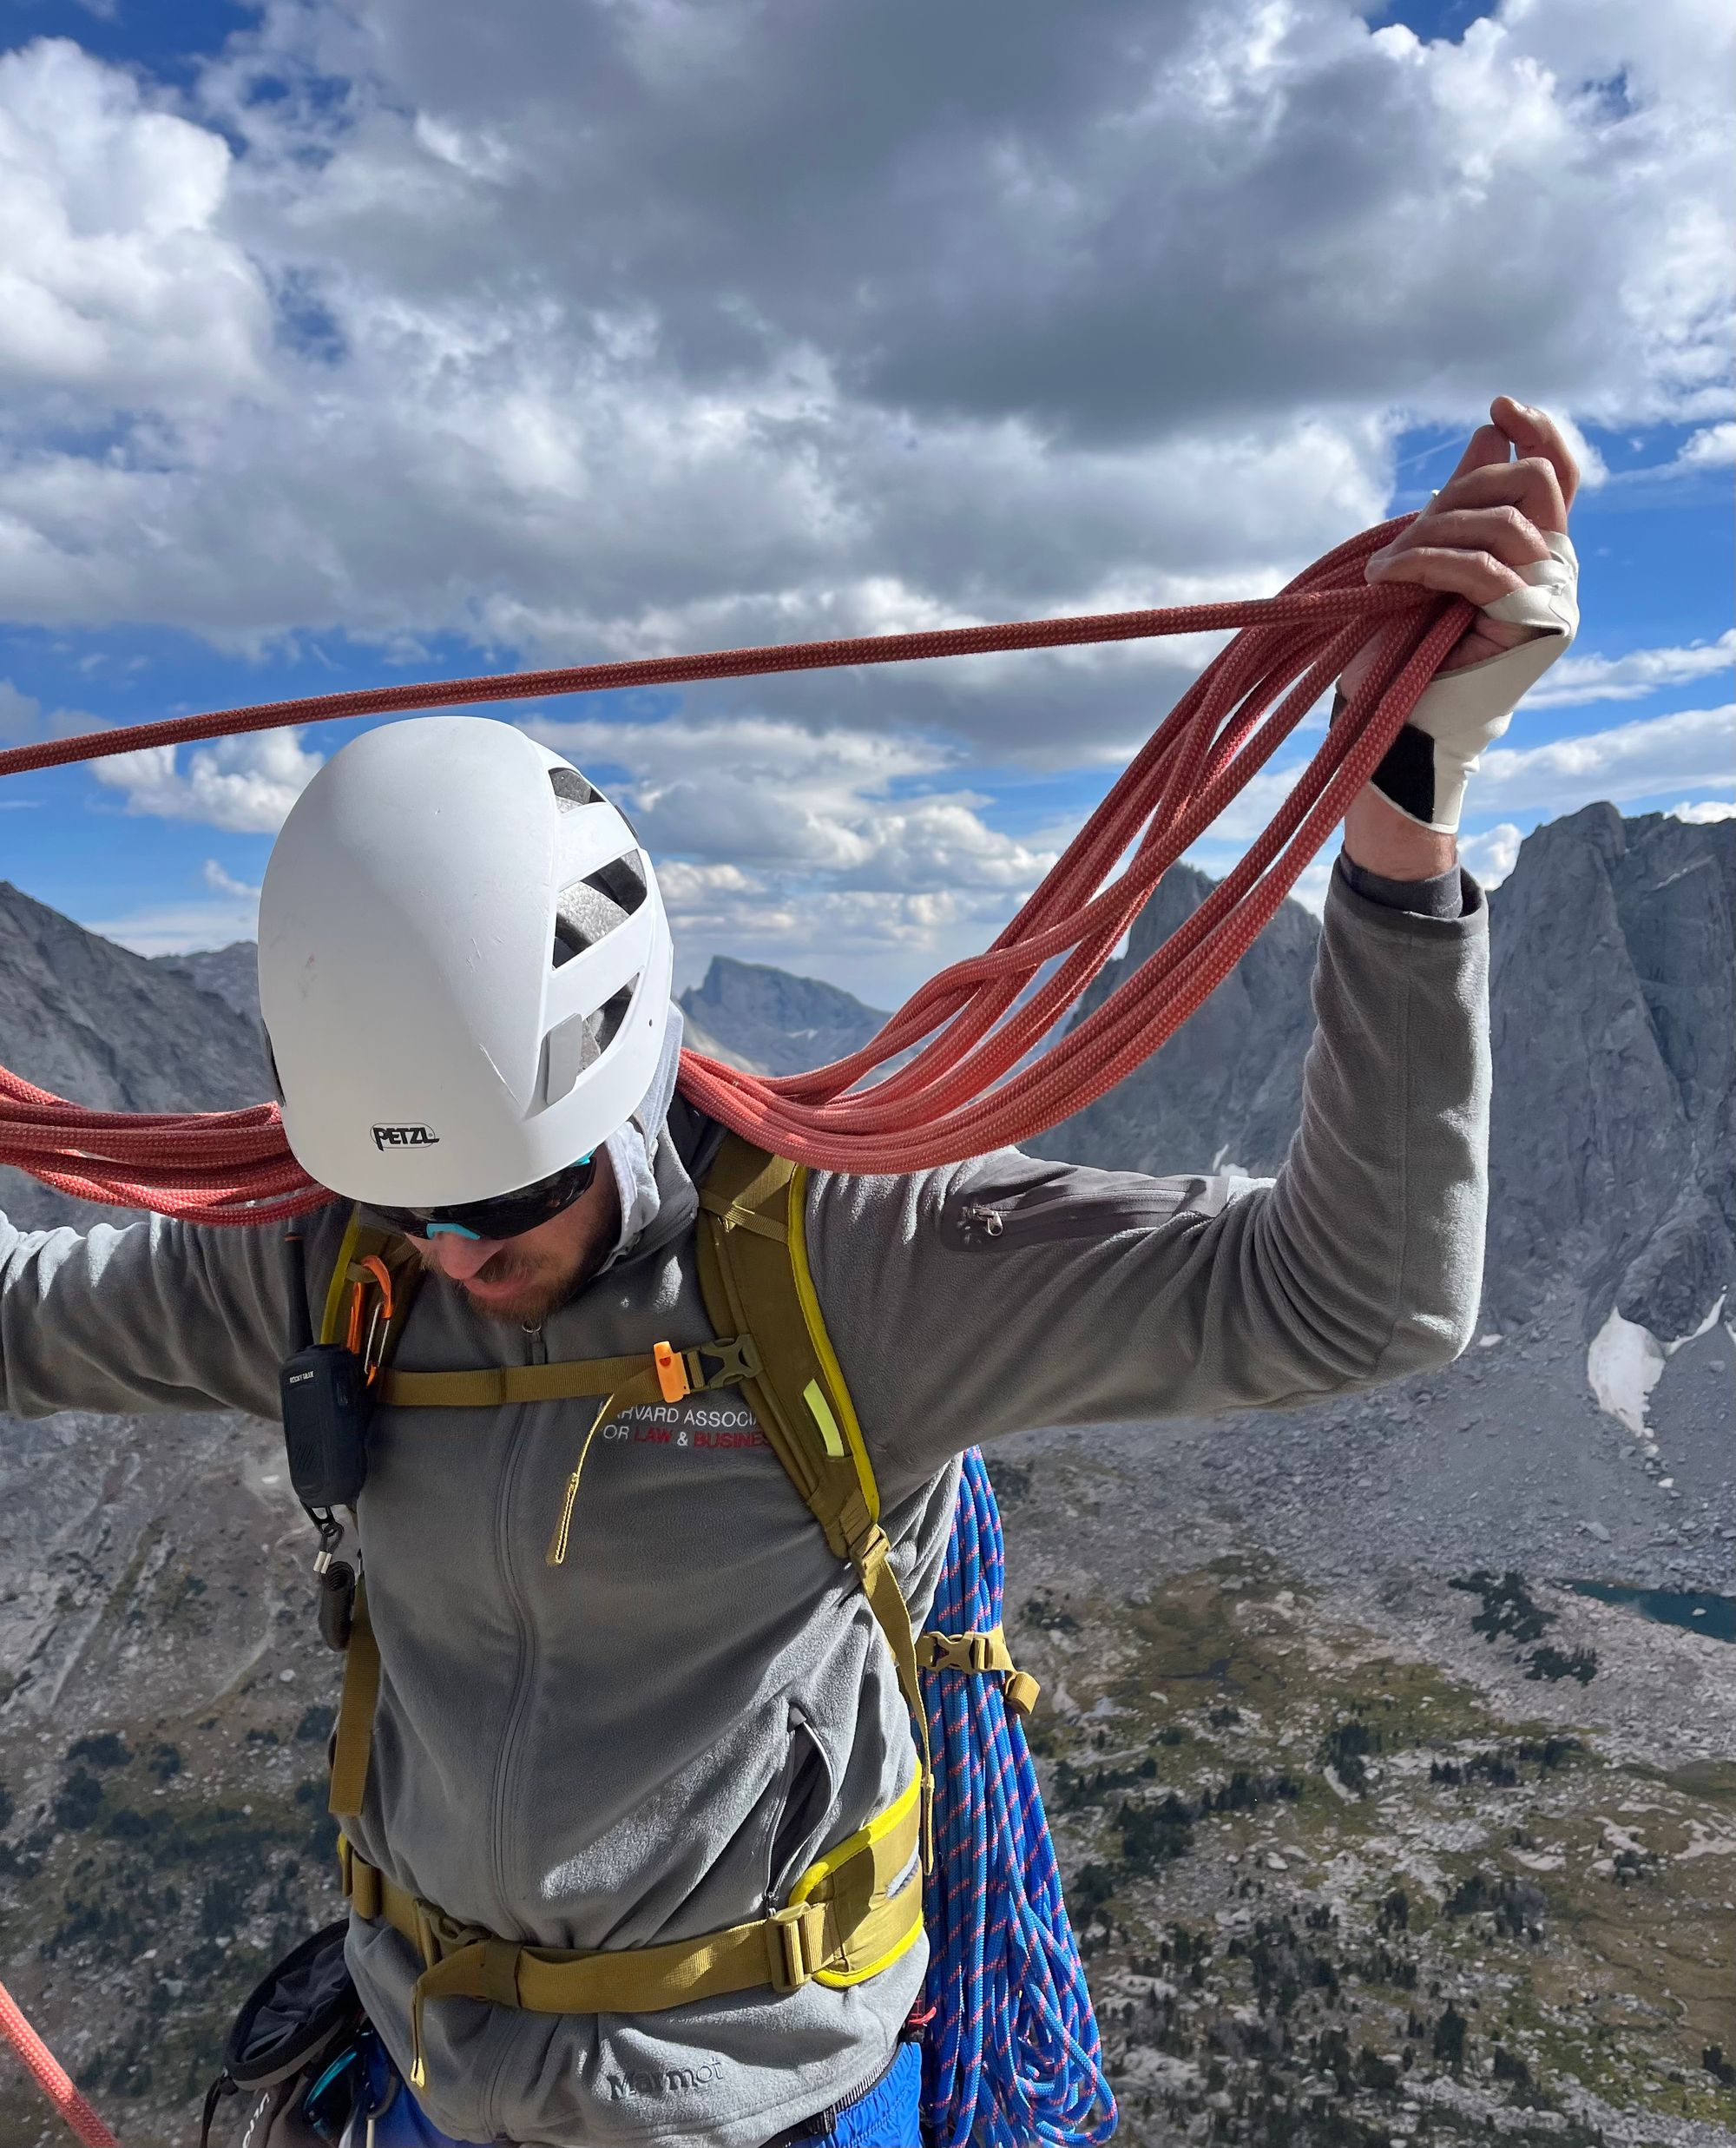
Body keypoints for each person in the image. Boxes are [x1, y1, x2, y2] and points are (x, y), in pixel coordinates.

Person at [0, 401, 1578, 2148]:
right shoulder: (329, 1260)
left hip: (765, 2110)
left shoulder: (843, 1254)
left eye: (506, 1194)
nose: (456, 1256)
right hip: (435, 2071)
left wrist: (1405, 813)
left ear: (618, 1079)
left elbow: (1357, 1297)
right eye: (406, 1205)